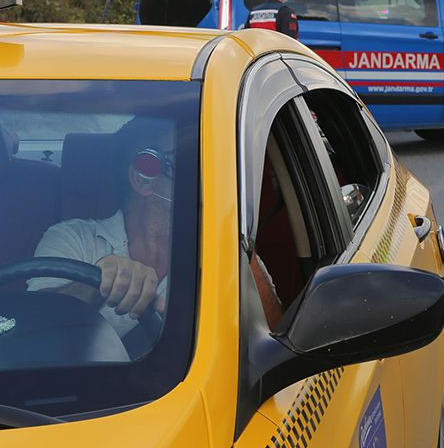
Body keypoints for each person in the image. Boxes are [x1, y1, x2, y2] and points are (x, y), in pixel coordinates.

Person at [30, 118, 284, 342]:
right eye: (188, 161)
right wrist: (95, 282)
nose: (204, 171)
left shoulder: (221, 249)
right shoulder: (72, 238)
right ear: (143, 177)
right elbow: (35, 328)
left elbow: (273, 337)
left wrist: (235, 242)